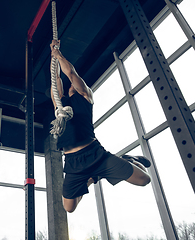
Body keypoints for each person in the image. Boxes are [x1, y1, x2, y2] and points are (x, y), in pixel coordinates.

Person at [50, 40, 151, 213]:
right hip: (73, 163)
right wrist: (52, 58)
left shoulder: (85, 96)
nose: (71, 86)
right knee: (69, 208)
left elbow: (71, 73)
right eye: (70, 86)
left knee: (144, 180)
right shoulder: (61, 106)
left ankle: (128, 159)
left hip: (95, 154)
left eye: (74, 84)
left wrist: (59, 54)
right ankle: (91, 178)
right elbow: (56, 79)